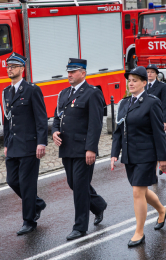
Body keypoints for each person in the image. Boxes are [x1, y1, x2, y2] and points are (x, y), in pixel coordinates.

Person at [111, 67, 166, 248]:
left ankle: (139, 232)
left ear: (145, 83)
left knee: (137, 192)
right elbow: (118, 131)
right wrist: (114, 153)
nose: (131, 83)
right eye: (129, 80)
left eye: (135, 80)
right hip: (129, 154)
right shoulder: (123, 103)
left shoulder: (151, 102)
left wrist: (163, 159)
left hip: (146, 154)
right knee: (141, 190)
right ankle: (162, 210)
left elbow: (158, 133)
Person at [52, 58, 107, 241]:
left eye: (73, 71)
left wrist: (91, 148)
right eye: (68, 71)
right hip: (67, 147)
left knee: (80, 188)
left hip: (84, 149)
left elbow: (95, 124)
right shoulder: (64, 94)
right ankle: (98, 205)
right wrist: (54, 132)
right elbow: (57, 118)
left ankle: (80, 227)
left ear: (83, 73)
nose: (69, 75)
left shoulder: (92, 93)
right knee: (73, 184)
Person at [3, 52, 48, 236]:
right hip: (13, 145)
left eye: (13, 66)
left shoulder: (31, 90)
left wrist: (41, 143)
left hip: (30, 145)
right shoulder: (7, 91)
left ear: (22, 69)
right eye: (8, 66)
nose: (10, 69)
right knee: (12, 180)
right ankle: (36, 203)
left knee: (27, 184)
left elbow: (41, 118)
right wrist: (6, 143)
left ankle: (29, 220)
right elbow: (7, 120)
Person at [145, 64, 166, 131]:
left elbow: (165, 104)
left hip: (157, 116)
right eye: (148, 72)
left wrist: (165, 121)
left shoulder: (162, 86)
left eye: (152, 72)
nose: (149, 74)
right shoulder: (143, 86)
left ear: (156, 74)